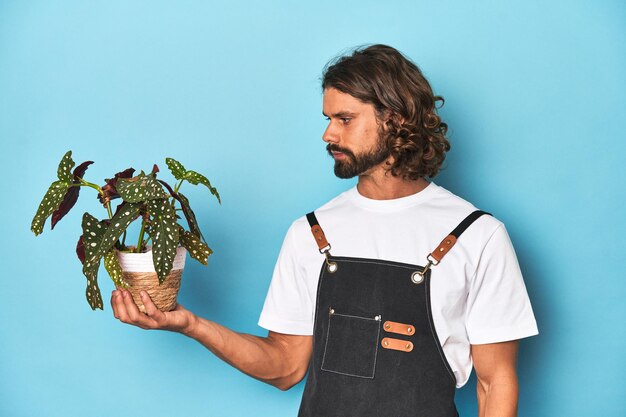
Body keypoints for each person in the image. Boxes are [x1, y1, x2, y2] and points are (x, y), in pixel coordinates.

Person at [111, 44, 538, 417]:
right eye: (327, 118)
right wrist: (190, 324)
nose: (327, 133)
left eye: (345, 119)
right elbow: (285, 367)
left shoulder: (476, 235)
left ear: (394, 119)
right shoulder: (312, 232)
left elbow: (494, 382)